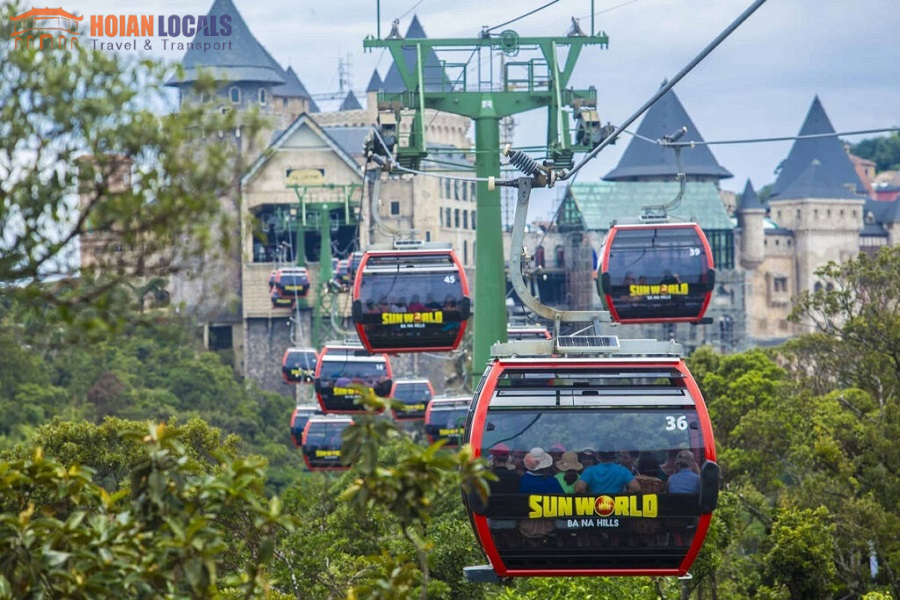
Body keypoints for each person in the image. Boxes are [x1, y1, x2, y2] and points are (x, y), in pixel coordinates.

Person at [575, 449, 641, 495]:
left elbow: (578, 489)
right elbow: (636, 488)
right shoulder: (622, 470)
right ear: (614, 456)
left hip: (595, 506)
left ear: (598, 456)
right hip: (617, 507)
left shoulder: (590, 470)